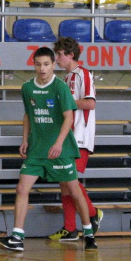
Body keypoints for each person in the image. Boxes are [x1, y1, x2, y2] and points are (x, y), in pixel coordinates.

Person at [0, 47, 97, 252]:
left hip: (61, 149)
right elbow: (28, 114)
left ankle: (89, 233)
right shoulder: (27, 87)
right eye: (38, 64)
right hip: (37, 149)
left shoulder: (60, 87)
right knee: (22, 188)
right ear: (33, 64)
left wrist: (58, 143)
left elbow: (69, 117)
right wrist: (24, 140)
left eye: (46, 64)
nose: (42, 68)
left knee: (75, 192)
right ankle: (17, 237)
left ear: (53, 65)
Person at [48, 36, 103, 241]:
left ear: (70, 54)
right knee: (64, 181)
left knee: (69, 181)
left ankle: (91, 213)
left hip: (80, 135)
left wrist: (65, 102)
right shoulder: (66, 78)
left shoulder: (83, 74)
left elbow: (90, 103)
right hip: (68, 136)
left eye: (59, 55)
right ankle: (70, 227)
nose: (57, 59)